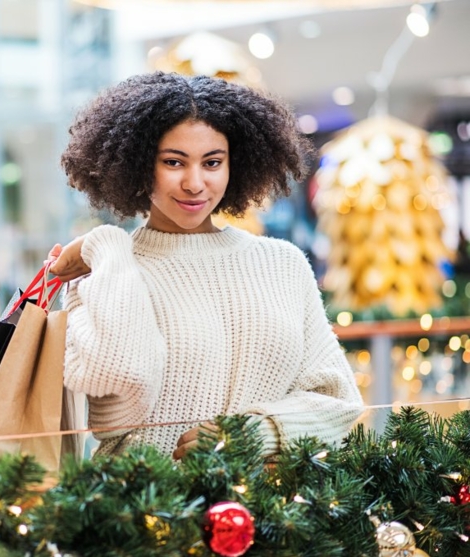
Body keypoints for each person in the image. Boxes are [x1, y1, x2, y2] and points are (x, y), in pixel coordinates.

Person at [46, 72, 364, 460]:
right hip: (146, 510)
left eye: (212, 162)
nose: (195, 183)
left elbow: (338, 401)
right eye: (173, 162)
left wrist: (254, 434)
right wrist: (108, 246)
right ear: (138, 164)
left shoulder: (282, 264)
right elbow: (119, 401)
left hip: (271, 510)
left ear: (236, 165)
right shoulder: (104, 274)